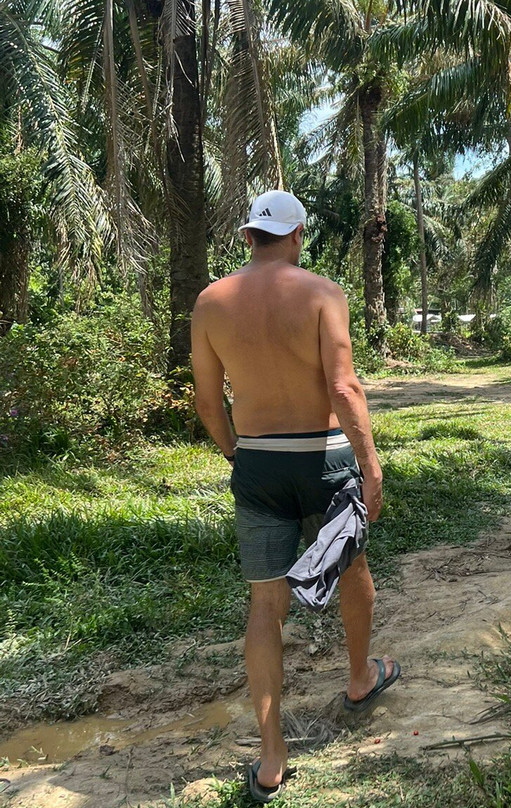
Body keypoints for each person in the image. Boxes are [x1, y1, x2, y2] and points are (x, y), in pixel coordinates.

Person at [191, 190, 397, 803]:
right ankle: (360, 677)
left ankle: (272, 754)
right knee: (352, 563)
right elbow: (344, 385)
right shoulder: (321, 293)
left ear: (250, 235)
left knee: (264, 604)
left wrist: (236, 451)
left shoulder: (210, 303)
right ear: (298, 234)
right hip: (324, 458)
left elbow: (208, 403)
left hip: (258, 462)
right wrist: (369, 462)